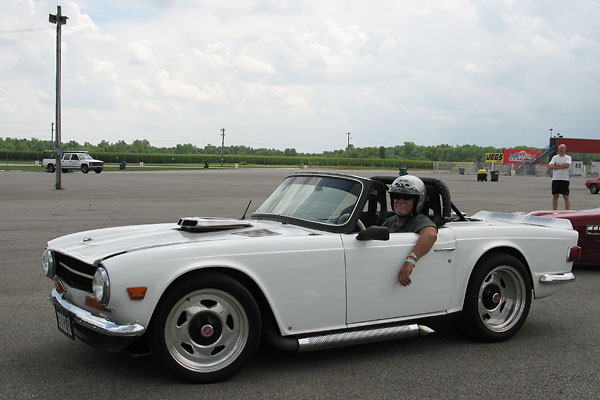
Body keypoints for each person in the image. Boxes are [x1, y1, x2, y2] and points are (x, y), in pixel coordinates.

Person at [382, 175, 438, 287]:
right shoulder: (389, 222)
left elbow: (431, 234)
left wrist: (410, 261)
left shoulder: (418, 220)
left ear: (417, 201)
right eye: (397, 196)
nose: (401, 201)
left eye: (407, 197)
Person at [549, 144, 571, 210]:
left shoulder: (568, 157)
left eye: (562, 148)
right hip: (555, 179)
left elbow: (567, 165)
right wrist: (561, 166)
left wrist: (557, 165)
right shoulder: (555, 157)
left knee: (565, 196)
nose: (561, 150)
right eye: (559, 148)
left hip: (564, 179)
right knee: (555, 196)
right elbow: (551, 166)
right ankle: (554, 210)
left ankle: (568, 211)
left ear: (565, 149)